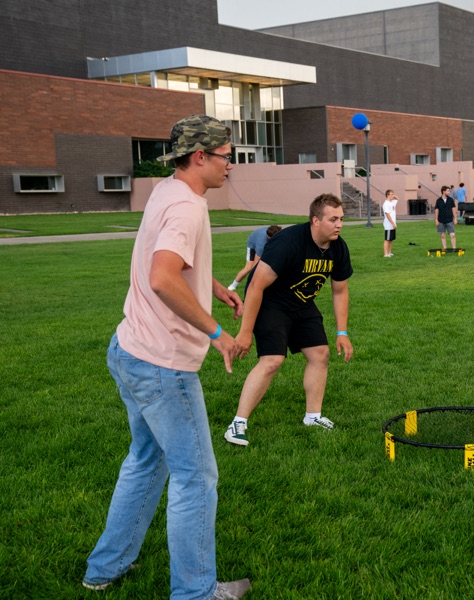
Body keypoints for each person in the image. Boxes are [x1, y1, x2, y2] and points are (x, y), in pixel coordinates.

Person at [83, 115, 251, 598]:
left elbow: (171, 261)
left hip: (129, 350)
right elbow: (161, 277)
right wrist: (218, 333)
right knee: (196, 478)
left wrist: (210, 284)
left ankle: (104, 569)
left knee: (146, 459)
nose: (229, 168)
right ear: (201, 157)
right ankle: (197, 593)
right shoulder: (188, 208)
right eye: (226, 157)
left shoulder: (167, 190)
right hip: (163, 365)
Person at [224, 194, 353, 446]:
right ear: (316, 220)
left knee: (320, 354)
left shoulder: (338, 247)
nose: (339, 224)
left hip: (302, 303)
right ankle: (237, 423)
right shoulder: (288, 242)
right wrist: (245, 331)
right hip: (271, 303)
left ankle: (313, 416)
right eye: (333, 219)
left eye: (341, 219)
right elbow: (256, 287)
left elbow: (340, 290)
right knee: (272, 360)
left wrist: (342, 333)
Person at [227, 225, 283, 291]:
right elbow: (256, 263)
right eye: (268, 239)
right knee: (249, 268)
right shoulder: (261, 243)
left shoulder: (281, 234)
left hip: (269, 244)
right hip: (252, 244)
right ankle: (232, 286)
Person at [434, 185, 457, 251]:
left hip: (449, 220)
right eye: (448, 191)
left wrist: (455, 218)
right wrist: (436, 220)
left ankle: (454, 248)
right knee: (443, 235)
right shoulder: (438, 200)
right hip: (441, 220)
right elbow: (436, 210)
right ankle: (444, 249)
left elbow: (453, 209)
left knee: (452, 235)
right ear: (443, 191)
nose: (449, 192)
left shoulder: (451, 200)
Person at [383, 188, 398, 257]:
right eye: (391, 194)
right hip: (389, 225)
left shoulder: (392, 203)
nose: (393, 195)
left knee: (391, 239)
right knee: (387, 239)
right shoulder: (386, 204)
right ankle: (386, 254)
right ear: (387, 195)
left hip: (392, 224)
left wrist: (394, 196)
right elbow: (387, 214)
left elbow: (398, 199)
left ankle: (389, 252)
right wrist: (392, 223)